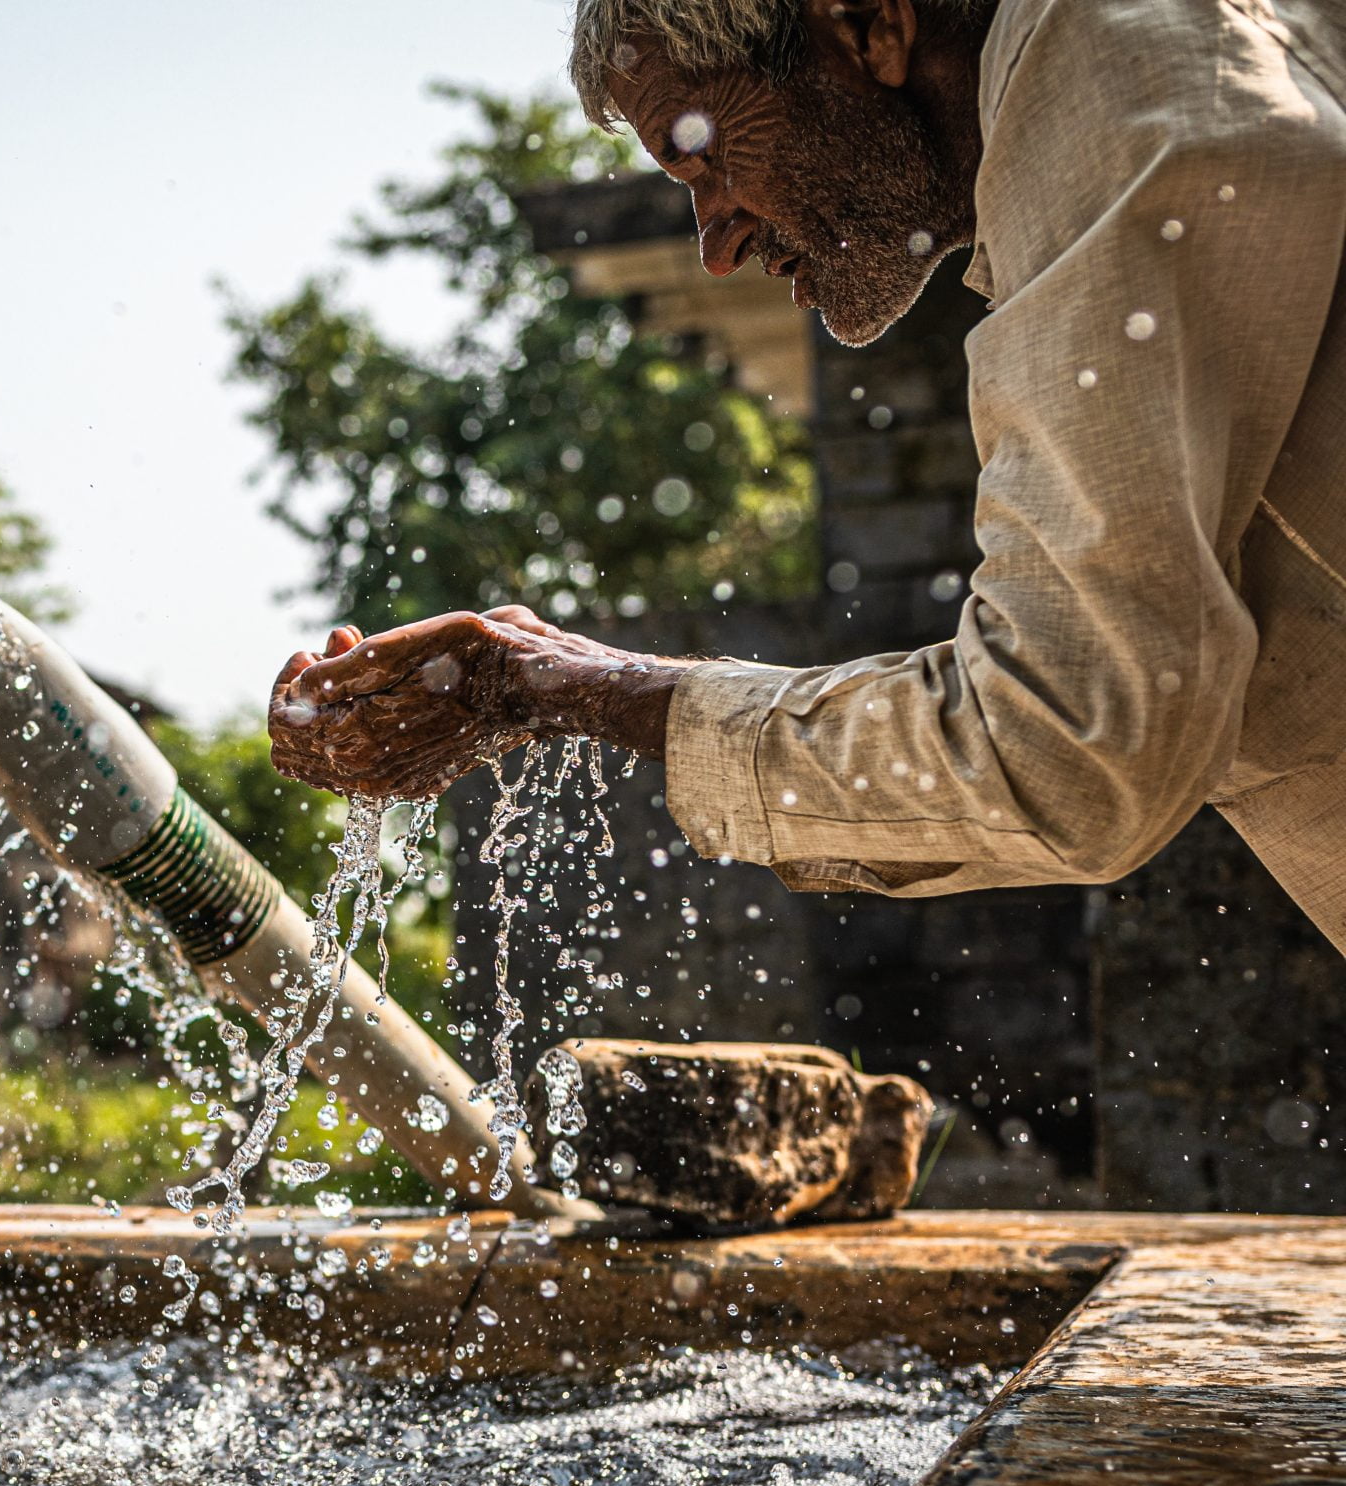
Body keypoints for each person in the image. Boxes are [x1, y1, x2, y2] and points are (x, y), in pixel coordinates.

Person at [268, 0, 1346, 954]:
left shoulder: (1116, 84)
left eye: (701, 156)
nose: (716, 249)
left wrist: (554, 685)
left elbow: (1067, 744)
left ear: (867, 24)